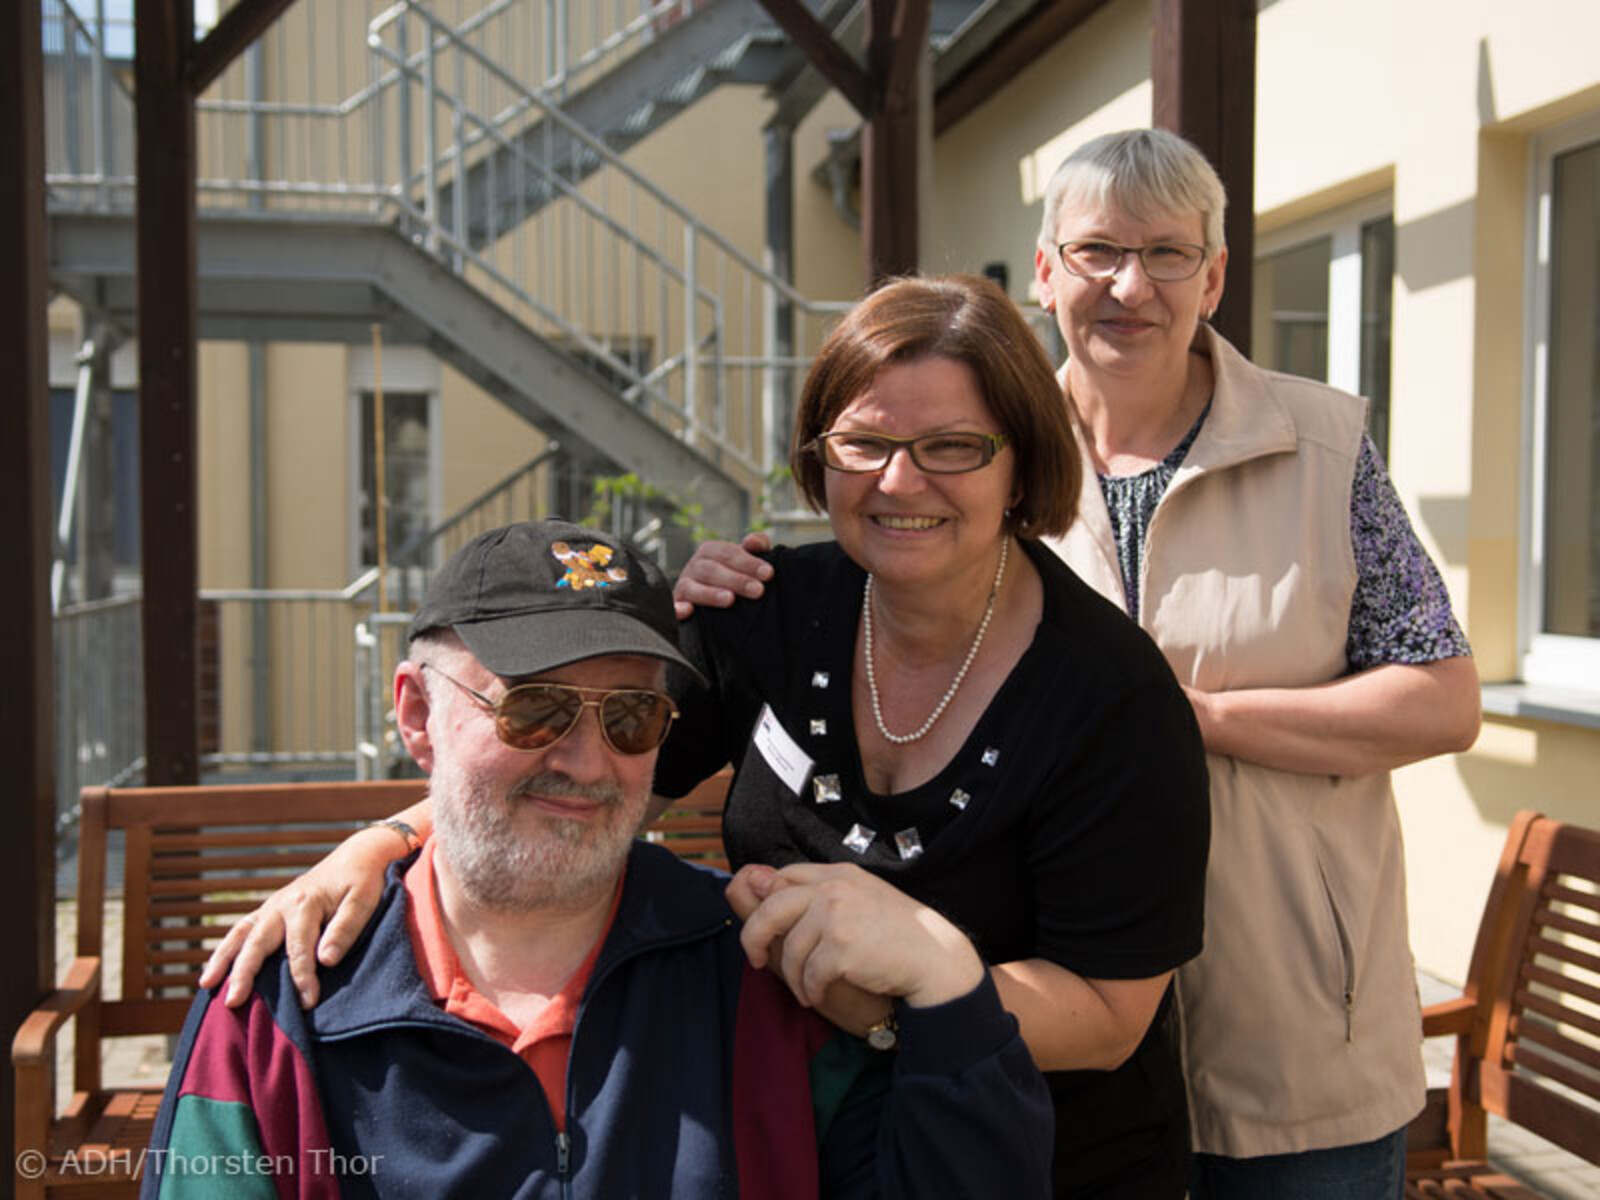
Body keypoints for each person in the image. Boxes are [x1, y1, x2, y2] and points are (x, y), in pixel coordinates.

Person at [199, 276, 1213, 1199]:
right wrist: (385, 844)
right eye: (863, 442)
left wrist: (900, 994)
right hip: (797, 1125)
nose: (900, 482)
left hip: (1044, 1159)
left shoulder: (1109, 699)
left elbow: (1109, 1016)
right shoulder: (768, 611)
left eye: (951, 446)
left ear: (1020, 462)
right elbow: (578, 768)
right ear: (822, 455)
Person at [678, 130, 1484, 1198]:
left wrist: (1194, 716)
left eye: (1165, 253)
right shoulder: (969, 419)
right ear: (1046, 270)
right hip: (1030, 1029)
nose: (1128, 284)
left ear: (1215, 277)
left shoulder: (1320, 449)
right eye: (1097, 249)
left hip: (1279, 1011)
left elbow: (1442, 699)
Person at [147, 519, 1053, 1199]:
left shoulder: (759, 983)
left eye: (629, 718)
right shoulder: (281, 1007)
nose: (583, 761)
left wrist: (950, 986)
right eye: (533, 709)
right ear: (417, 717)